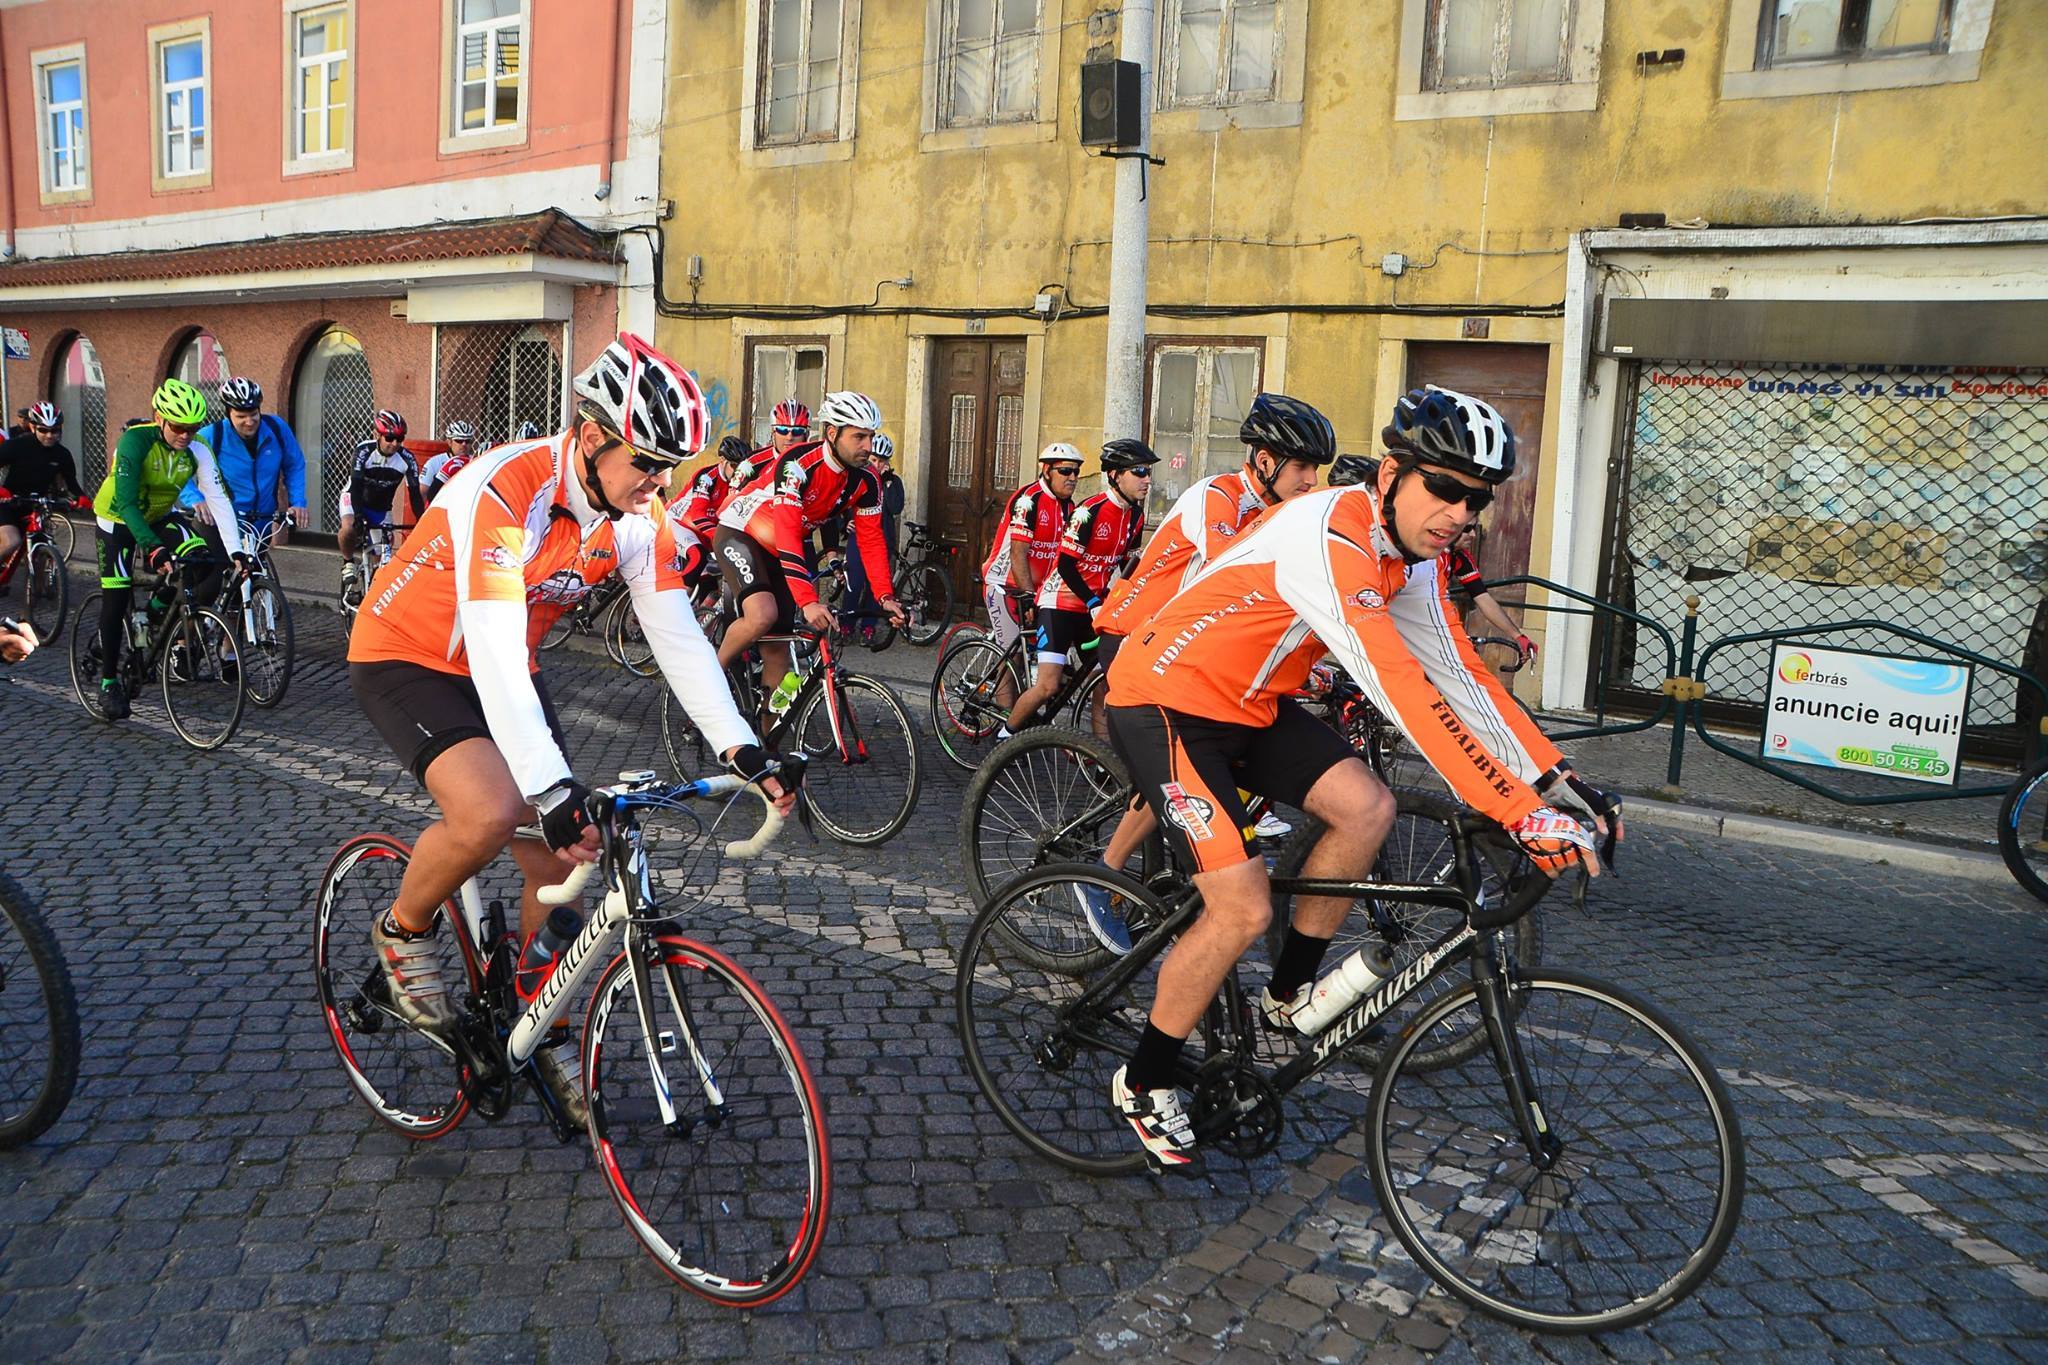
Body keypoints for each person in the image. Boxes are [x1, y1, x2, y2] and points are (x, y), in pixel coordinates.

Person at [1100, 385, 1622, 1172]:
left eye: (1475, 499)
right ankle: (1142, 1080)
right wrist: (1516, 809)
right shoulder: (1328, 532)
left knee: (1368, 806)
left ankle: (1287, 996)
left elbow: (1459, 676)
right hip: (1164, 700)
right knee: (1238, 906)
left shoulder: (1410, 555)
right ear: (1390, 474)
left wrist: (1554, 778)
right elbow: (1403, 691)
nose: (1459, 512)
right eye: (1443, 487)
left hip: (1252, 705)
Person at [347, 333, 796, 1129]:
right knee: (489, 812)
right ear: (589, 439)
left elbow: (677, 634)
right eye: (645, 463)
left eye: (669, 468)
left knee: (565, 852)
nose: (659, 484)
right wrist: (548, 785)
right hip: (409, 652)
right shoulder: (504, 489)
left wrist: (742, 745)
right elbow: (484, 636)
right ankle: (401, 933)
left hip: (505, 667)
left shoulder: (637, 515)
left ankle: (535, 1020)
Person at [1075, 394, 1339, 944]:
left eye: (1317, 469)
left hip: (1182, 646)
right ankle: (1104, 873)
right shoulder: (1216, 497)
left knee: (1215, 748)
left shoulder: (1277, 510)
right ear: (1263, 461)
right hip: (1133, 635)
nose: (1312, 479)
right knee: (1180, 760)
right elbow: (1233, 575)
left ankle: (1193, 851)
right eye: (1302, 467)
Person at [714, 391, 905, 715]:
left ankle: (768, 741)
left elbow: (872, 541)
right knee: (762, 615)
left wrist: (886, 596)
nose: (868, 446)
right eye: (859, 437)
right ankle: (708, 683)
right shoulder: (798, 465)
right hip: (742, 533)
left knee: (779, 653)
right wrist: (808, 600)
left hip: (777, 547)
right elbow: (788, 536)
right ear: (832, 433)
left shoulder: (868, 480)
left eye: (870, 436)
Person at [91, 379, 245, 720]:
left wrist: (236, 552)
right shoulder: (135, 441)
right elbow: (127, 503)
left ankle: (154, 609)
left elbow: (218, 499)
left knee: (203, 559)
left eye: (192, 428)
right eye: (178, 427)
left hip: (160, 515)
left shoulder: (198, 449)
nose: (185, 435)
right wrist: (154, 549)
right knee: (115, 599)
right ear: (159, 418)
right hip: (118, 518)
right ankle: (107, 683)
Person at [1001, 439, 1157, 739]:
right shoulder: (1090, 511)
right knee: (1048, 685)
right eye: (1139, 472)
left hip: (1091, 606)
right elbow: (1066, 566)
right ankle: (1005, 740)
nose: (1147, 479)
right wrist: (1093, 600)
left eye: (1148, 472)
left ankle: (1098, 753)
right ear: (1115, 476)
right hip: (1059, 603)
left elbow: (1125, 564)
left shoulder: (1135, 516)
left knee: (1105, 680)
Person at [980, 443, 1082, 682]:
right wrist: (1027, 596)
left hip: (1038, 590)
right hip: (1005, 586)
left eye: (1076, 472)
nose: (1073, 478)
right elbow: (1018, 554)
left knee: (1048, 655)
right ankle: (1007, 717)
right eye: (1065, 471)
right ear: (1047, 470)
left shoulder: (1069, 507)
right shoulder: (1029, 500)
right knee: (1012, 657)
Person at [177, 377, 310, 547]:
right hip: (217, 521)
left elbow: (294, 465)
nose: (249, 421)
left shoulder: (276, 429)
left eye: (254, 414)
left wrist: (298, 502)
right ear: (228, 413)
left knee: (255, 571)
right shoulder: (211, 436)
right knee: (211, 571)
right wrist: (195, 499)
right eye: (241, 416)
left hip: (261, 521)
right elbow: (177, 469)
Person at [0, 401, 89, 589]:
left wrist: (81, 498)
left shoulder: (62, 454)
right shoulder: (16, 445)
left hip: (37, 505)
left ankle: (34, 600)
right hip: (9, 502)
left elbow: (71, 481)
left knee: (40, 547)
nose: (49, 435)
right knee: (12, 541)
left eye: (55, 431)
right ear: (32, 427)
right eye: (43, 430)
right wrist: (2, 491)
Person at [337, 410, 425, 596]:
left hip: (382, 507)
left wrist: (422, 522)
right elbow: (357, 485)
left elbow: (415, 495)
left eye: (399, 438)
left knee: (382, 560)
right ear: (377, 434)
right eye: (390, 437)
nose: (394, 443)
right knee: (348, 528)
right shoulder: (364, 451)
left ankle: (374, 595)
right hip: (354, 499)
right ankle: (348, 562)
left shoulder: (406, 459)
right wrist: (359, 516)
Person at [838, 433, 905, 637]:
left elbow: (895, 508)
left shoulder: (893, 482)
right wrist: (844, 523)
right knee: (854, 583)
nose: (876, 464)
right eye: (874, 459)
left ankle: (869, 625)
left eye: (881, 461)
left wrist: (886, 484)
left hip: (882, 541)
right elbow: (839, 503)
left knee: (875, 589)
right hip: (858, 539)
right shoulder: (857, 476)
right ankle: (846, 624)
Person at [1444, 524, 1537, 666]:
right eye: (1467, 529)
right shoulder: (1425, 554)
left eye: (1474, 528)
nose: (1474, 535)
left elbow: (1482, 597)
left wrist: (1518, 637)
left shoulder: (1459, 557)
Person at [671, 434, 751, 543]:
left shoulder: (742, 481)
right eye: (734, 466)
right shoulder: (706, 477)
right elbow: (697, 515)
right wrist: (720, 538)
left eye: (743, 468)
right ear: (723, 460)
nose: (739, 472)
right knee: (698, 555)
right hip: (678, 522)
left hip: (701, 528)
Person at [420, 420, 478, 503]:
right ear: (449, 442)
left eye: (468, 441)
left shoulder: (475, 461)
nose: (464, 444)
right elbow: (423, 493)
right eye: (459, 440)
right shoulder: (434, 463)